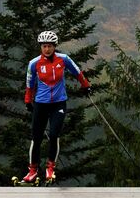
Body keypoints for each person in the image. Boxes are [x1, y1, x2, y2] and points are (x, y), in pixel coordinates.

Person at [19, 30, 92, 184]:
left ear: (54, 46)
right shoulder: (34, 63)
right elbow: (29, 83)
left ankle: (50, 167)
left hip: (58, 103)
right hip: (40, 104)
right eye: (44, 46)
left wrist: (85, 85)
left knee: (54, 135)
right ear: (41, 47)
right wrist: (28, 101)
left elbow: (77, 72)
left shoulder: (63, 59)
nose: (47, 49)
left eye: (50, 46)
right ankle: (32, 170)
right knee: (36, 138)